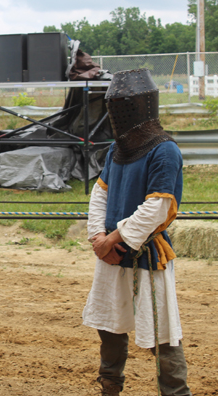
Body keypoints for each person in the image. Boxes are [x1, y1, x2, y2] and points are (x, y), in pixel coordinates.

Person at [82, 69, 192, 396]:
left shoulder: (164, 150)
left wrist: (110, 239)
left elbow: (157, 206)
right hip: (112, 257)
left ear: (143, 106)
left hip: (147, 256)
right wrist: (97, 241)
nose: (118, 113)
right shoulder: (116, 151)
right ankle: (110, 389)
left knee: (163, 334)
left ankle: (175, 392)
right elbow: (99, 194)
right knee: (109, 328)